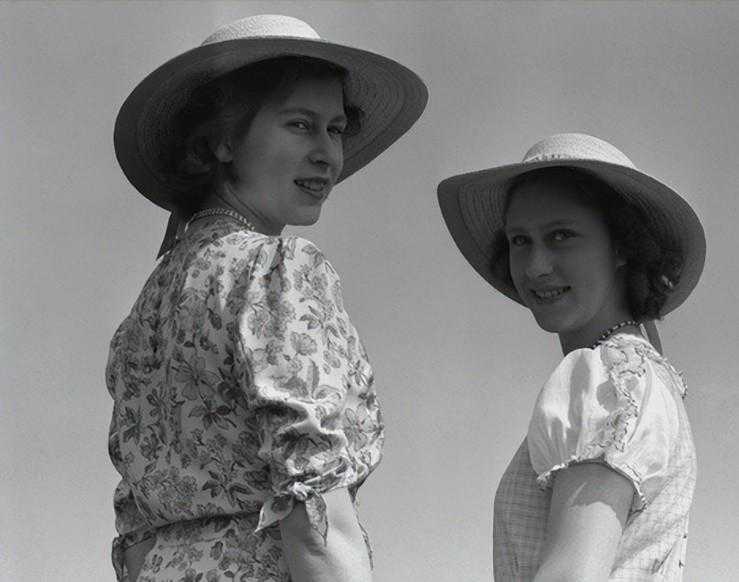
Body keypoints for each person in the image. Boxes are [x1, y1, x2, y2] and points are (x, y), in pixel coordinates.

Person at [107, 14, 427, 582]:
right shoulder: (278, 273)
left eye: (336, 129)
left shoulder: (148, 307)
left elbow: (135, 533)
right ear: (224, 139)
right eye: (300, 124)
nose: (327, 153)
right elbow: (314, 514)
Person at [437, 133, 705, 581]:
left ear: (622, 245)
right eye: (520, 240)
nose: (536, 266)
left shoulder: (607, 378)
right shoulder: (641, 374)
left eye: (561, 235)